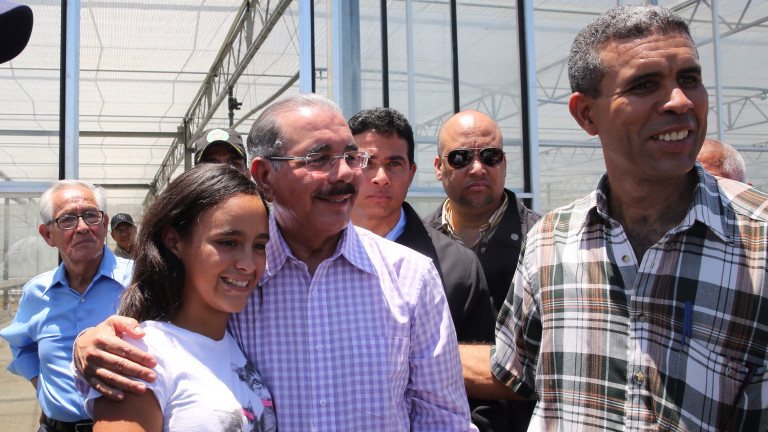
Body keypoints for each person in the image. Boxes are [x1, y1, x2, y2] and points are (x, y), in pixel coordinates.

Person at [73, 94, 476, 431]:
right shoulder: (230, 282)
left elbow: (443, 419)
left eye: (352, 157)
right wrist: (92, 343)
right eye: (319, 158)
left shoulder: (411, 277)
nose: (344, 174)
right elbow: (162, 339)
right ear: (264, 176)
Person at [464, 5, 768, 430]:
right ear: (586, 114)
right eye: (645, 84)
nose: (680, 101)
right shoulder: (551, 239)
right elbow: (513, 370)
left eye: (689, 79)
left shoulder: (759, 242)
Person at [86, 164, 276, 432]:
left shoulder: (235, 343)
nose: (248, 264)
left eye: (259, 246)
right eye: (228, 242)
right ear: (174, 242)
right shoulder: (140, 355)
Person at [425, 109, 539, 431]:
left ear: (504, 163)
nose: (477, 168)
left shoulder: (546, 244)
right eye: (460, 157)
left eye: (490, 156)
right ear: (439, 167)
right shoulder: (413, 248)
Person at [0, 180, 133, 432]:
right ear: (47, 235)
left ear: (104, 224)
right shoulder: (37, 292)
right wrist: (44, 387)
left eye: (91, 216)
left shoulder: (139, 281)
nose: (82, 227)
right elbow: (21, 345)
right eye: (67, 220)